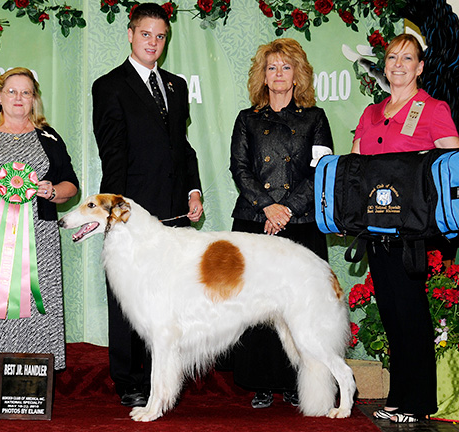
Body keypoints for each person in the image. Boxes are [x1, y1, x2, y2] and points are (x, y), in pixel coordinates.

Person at [91, 2, 203, 408]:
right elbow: (113, 155)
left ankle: (165, 379)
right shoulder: (109, 86)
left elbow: (182, 147)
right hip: (131, 213)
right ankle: (130, 379)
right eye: (146, 34)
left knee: (171, 300)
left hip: (175, 214)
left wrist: (193, 189)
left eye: (160, 36)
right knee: (130, 300)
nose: (153, 42)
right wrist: (117, 215)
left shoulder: (176, 85)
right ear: (130, 34)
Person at [0, 67, 79, 413]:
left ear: (34, 98)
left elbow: (71, 184)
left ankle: (31, 391)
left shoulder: (49, 137)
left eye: (26, 92)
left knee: (37, 312)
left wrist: (54, 190)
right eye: (12, 92)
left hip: (39, 236)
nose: (19, 98)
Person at [352, 33, 459, 423]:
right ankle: (399, 397)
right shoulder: (371, 113)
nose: (398, 63)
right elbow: (358, 167)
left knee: (412, 313)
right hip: (377, 231)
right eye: (392, 56)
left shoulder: (433, 109)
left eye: (407, 58)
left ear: (419, 67)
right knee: (393, 314)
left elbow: (451, 169)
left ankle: (417, 403)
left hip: (412, 230)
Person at [229, 38, 334, 408]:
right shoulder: (247, 119)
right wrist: (268, 207)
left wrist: (286, 208)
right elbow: (239, 170)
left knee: (299, 307)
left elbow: (321, 171)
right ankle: (258, 382)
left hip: (301, 221)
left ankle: (294, 381)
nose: (278, 74)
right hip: (254, 221)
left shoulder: (315, 118)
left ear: (297, 75)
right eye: (271, 67)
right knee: (256, 307)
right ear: (263, 74)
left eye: (285, 67)